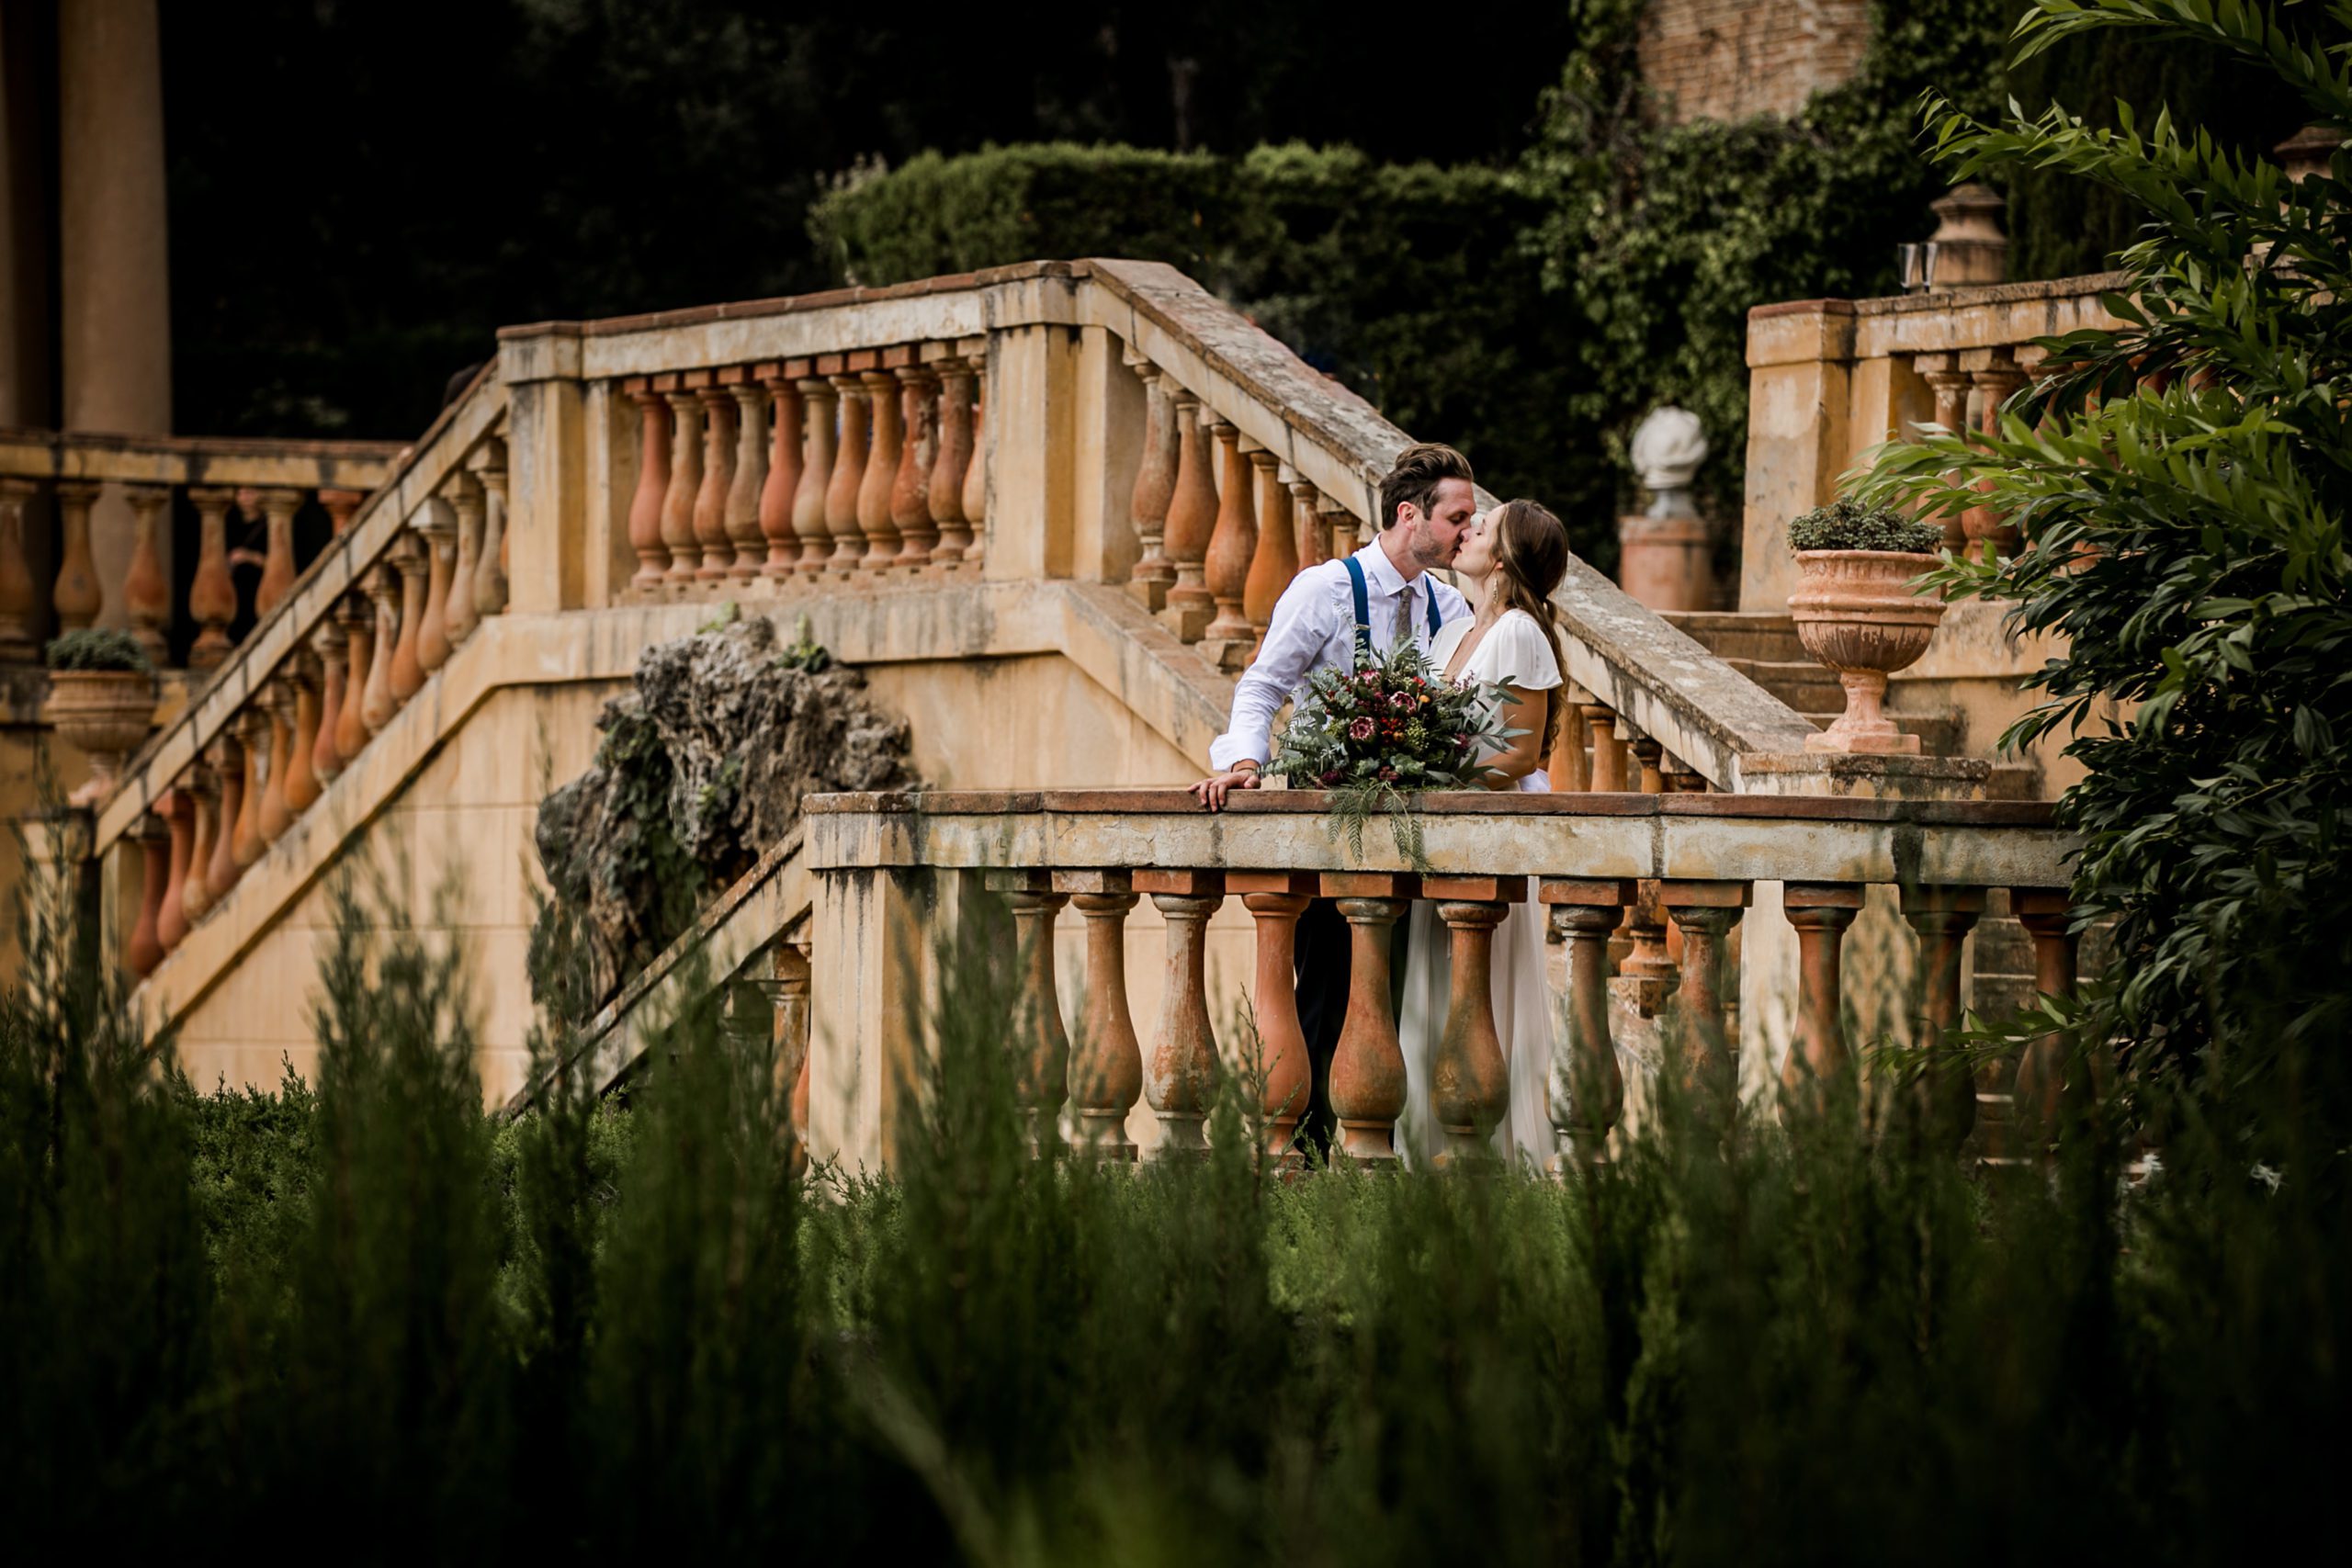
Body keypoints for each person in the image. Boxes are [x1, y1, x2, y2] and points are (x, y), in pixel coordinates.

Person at [1190, 442, 1477, 1156]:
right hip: (1327, 832)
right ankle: (1307, 1165)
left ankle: (1383, 1159)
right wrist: (1245, 759)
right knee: (1324, 998)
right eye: (1457, 517)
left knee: (1404, 1000)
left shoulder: (1449, 602)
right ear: (1410, 515)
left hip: (1418, 837)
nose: (1467, 533)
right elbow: (1261, 686)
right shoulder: (1324, 590)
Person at [1395, 499, 1570, 1166]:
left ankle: (1494, 1156)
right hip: (1442, 834)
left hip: (1487, 835)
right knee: (1433, 982)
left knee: (1481, 986)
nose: (1466, 532)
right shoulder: (1455, 634)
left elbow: (1521, 754)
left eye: (1482, 528)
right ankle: (1428, 1150)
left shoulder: (1519, 631)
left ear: (1502, 559)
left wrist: (1429, 767)